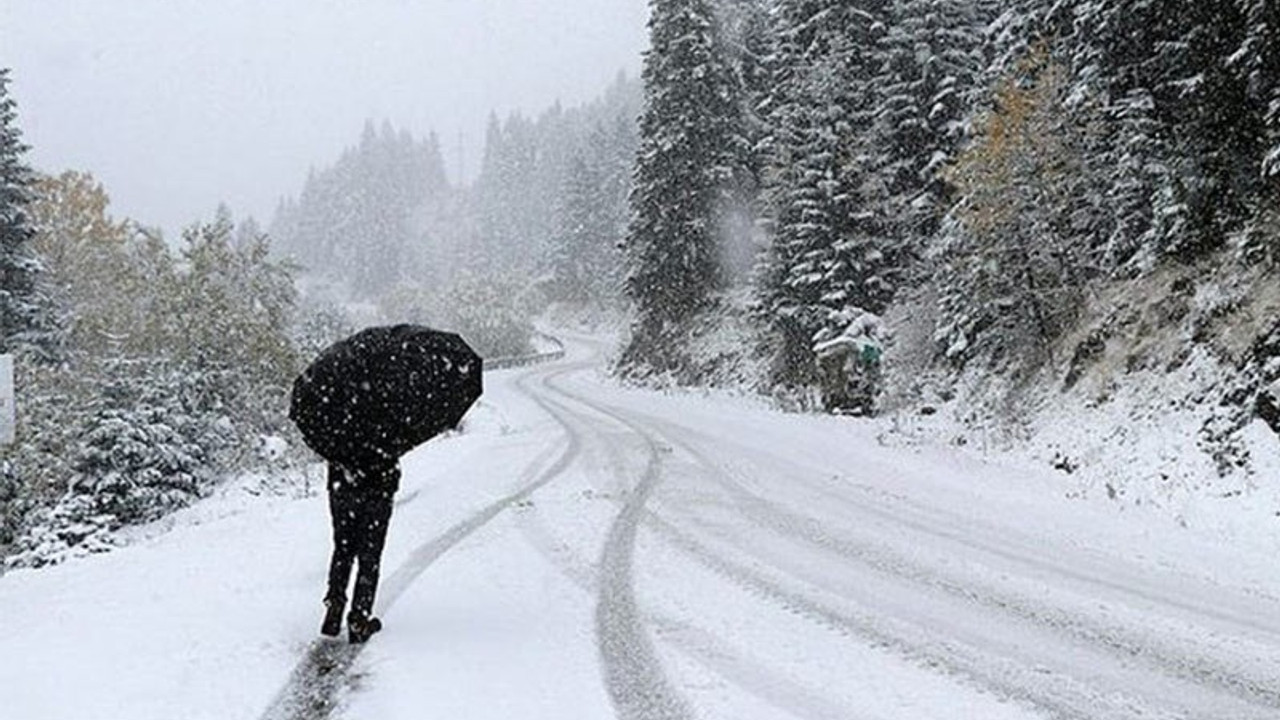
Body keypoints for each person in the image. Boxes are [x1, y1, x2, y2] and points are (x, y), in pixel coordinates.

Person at [321, 456, 400, 644]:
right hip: (378, 486)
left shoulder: (336, 429)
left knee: (343, 548)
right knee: (370, 556)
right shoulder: (388, 428)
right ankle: (359, 617)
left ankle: (335, 602)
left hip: (341, 484)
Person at [813, 308, 885, 415]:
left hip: (852, 377)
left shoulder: (857, 341)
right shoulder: (834, 340)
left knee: (851, 382)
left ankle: (849, 399)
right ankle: (846, 399)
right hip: (846, 377)